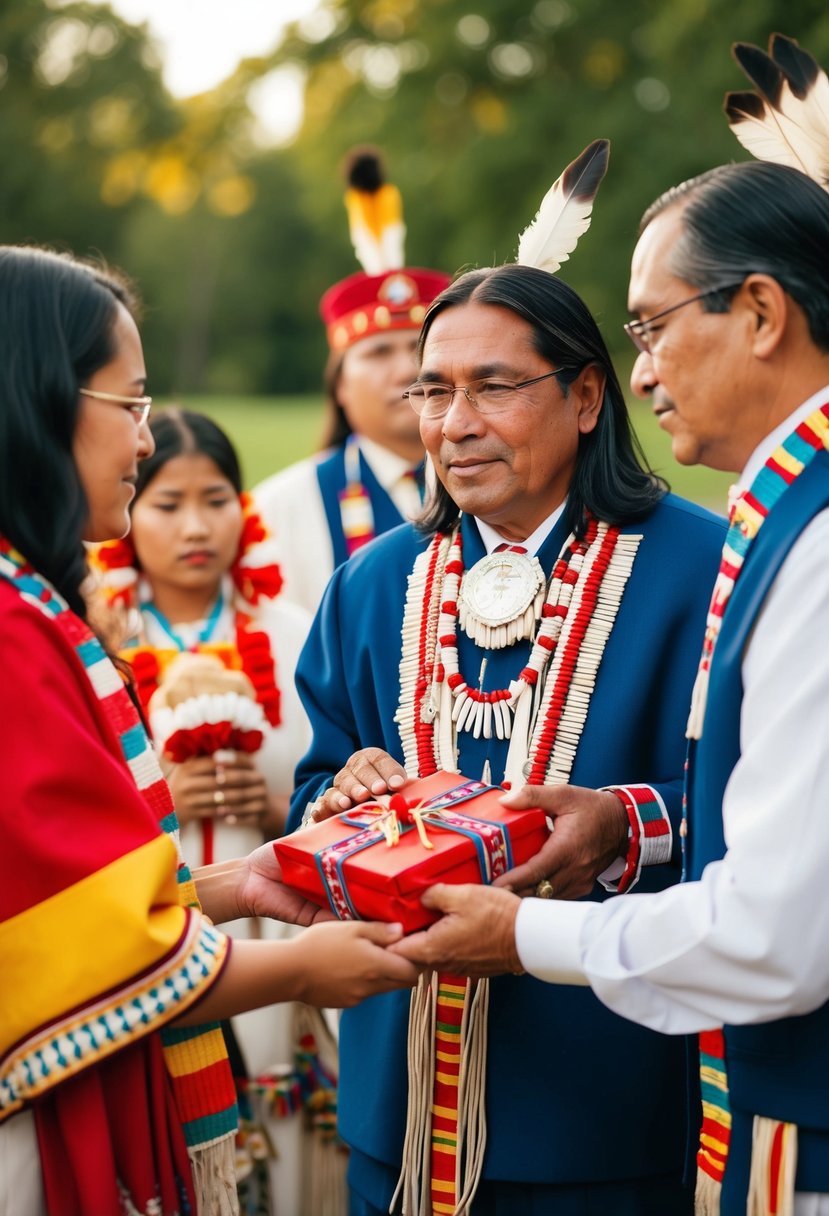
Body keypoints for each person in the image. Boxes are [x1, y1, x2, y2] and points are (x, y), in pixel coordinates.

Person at [393, 161, 829, 1216]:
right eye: (431, 389)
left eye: (650, 329)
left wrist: (526, 933)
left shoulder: (795, 540)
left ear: (761, 313)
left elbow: (775, 933)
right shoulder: (378, 580)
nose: (643, 373)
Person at [287, 253, 727, 1213]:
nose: (455, 423)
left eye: (494, 387)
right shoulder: (373, 583)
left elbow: (768, 814)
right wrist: (338, 800)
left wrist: (623, 823)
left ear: (583, 396)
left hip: (606, 1106)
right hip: (395, 1110)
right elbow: (312, 778)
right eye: (434, 391)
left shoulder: (704, 572)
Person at [0, 244, 420, 1216]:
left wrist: (240, 879)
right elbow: (73, 951)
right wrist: (311, 966)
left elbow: (80, 901)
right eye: (133, 403)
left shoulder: (31, 601)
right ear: (40, 397)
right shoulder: (17, 630)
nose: (146, 442)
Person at [88, 406, 318, 1214]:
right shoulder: (96, 641)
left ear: (243, 508)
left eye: (216, 499)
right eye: (168, 502)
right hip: (149, 934)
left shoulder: (294, 634)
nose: (197, 525)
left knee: (294, 1158)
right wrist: (156, 803)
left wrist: (283, 803)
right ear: (127, 515)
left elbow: (340, 780)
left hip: (285, 928)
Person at [254, 148, 451, 616]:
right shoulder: (277, 512)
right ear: (340, 385)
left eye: (420, 350)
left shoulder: (502, 486)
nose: (407, 371)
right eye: (379, 352)